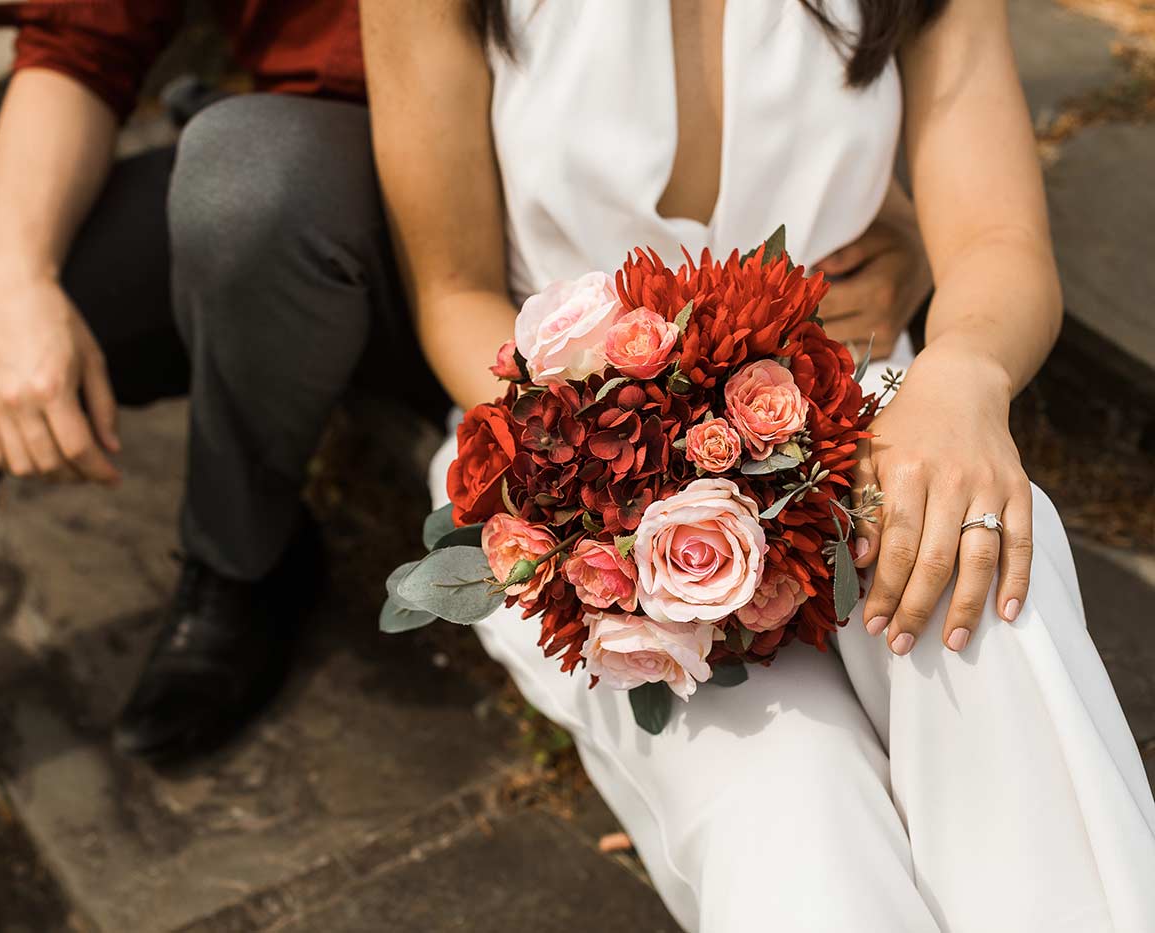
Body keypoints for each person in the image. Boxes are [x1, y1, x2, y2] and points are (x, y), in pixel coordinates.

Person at [0, 0, 929, 928]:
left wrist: (919, 225)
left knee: (254, 180)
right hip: (301, 202)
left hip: (535, 258)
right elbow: (77, 38)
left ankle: (237, 552)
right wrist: (14, 282)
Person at [363, 0, 1155, 930]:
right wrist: (617, 481)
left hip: (857, 406)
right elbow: (453, 291)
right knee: (791, 802)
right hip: (584, 476)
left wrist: (965, 374)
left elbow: (999, 241)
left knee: (974, 595)